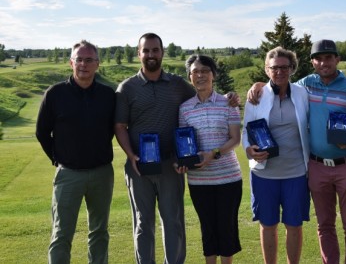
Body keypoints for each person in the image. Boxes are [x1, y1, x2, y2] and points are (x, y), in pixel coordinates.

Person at [114, 33, 239, 264]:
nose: (151, 54)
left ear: (162, 52)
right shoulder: (127, 88)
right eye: (146, 50)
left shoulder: (177, 84)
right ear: (138, 54)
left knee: (173, 221)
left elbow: (204, 92)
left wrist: (229, 97)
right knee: (143, 222)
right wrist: (131, 155)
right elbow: (120, 126)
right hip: (138, 166)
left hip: (172, 164)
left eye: (155, 50)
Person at [248, 40, 346, 264]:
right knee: (324, 226)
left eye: (329, 58)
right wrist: (258, 84)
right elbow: (277, 78)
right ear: (312, 62)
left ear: (337, 59)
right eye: (319, 58)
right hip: (317, 167)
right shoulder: (306, 85)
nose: (323, 62)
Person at [36, 40, 115, 264]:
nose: (83, 64)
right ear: (71, 63)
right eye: (78, 59)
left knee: (99, 233)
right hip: (68, 175)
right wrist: (57, 157)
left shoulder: (108, 95)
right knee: (61, 234)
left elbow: (112, 128)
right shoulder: (55, 94)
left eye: (89, 60)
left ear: (97, 64)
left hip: (102, 173)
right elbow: (42, 132)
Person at [242, 46, 310, 264]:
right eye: (274, 68)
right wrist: (248, 149)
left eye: (284, 67)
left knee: (294, 225)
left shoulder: (302, 93)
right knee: (268, 225)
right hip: (264, 174)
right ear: (266, 69)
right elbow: (246, 129)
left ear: (292, 69)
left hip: (296, 172)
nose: (279, 72)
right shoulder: (257, 95)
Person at [175, 54, 242, 264]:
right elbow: (184, 143)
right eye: (195, 71)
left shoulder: (228, 103)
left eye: (205, 71)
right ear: (190, 76)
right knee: (208, 228)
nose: (200, 75)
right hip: (199, 180)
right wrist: (182, 162)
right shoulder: (184, 108)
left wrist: (213, 153)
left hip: (228, 178)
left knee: (226, 227)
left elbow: (236, 139)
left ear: (213, 75)